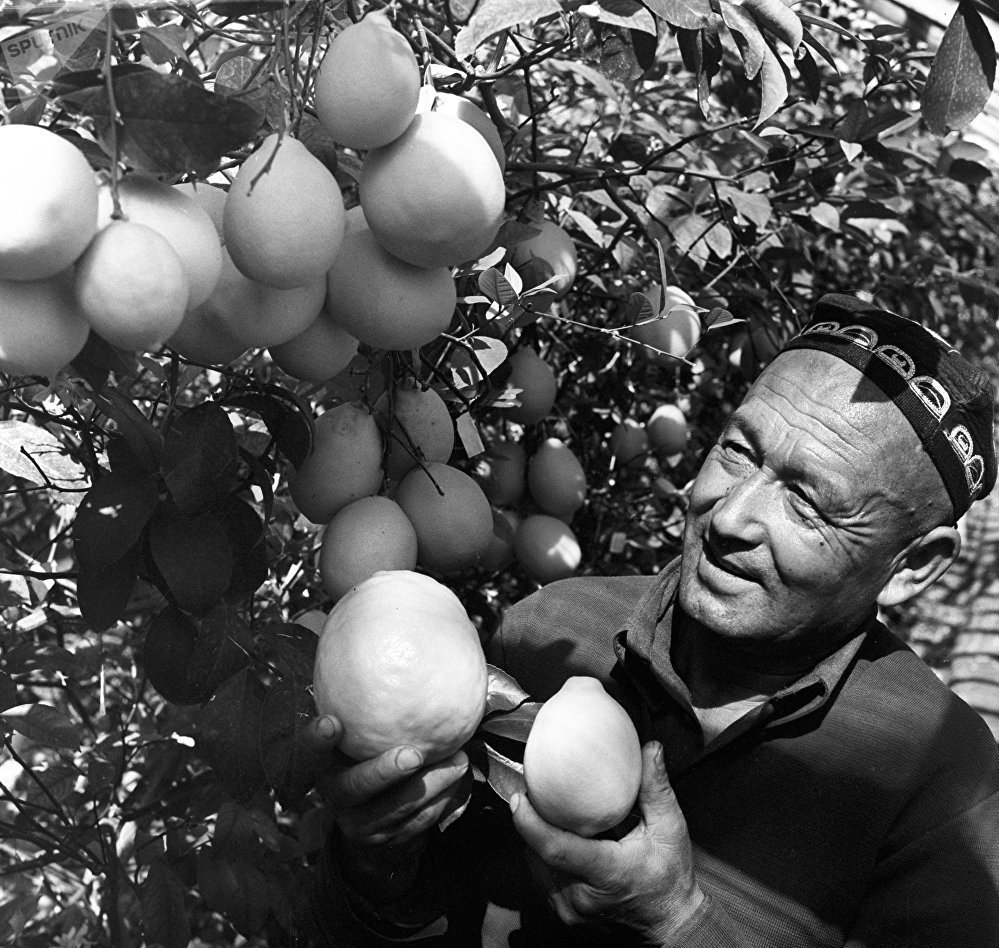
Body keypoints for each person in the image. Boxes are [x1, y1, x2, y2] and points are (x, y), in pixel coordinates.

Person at [306, 293, 999, 946]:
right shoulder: (548, 631)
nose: (727, 517)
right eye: (737, 451)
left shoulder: (944, 788)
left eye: (807, 503)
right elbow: (422, 917)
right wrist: (378, 864)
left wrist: (678, 922)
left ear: (912, 567)